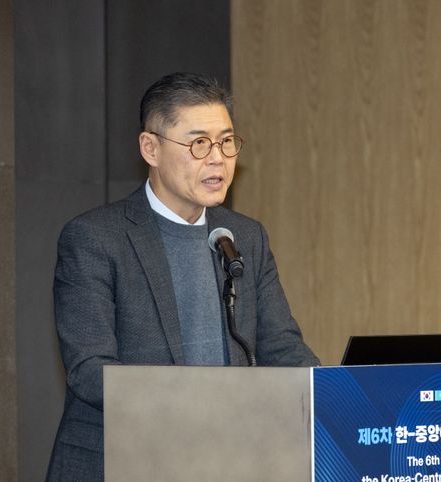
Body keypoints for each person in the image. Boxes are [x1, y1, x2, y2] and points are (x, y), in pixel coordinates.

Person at [45, 72, 319, 481]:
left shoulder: (244, 236)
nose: (218, 158)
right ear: (150, 148)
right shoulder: (95, 238)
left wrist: (334, 396)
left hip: (230, 461)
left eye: (227, 141)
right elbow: (89, 369)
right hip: (127, 461)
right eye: (199, 143)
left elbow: (282, 347)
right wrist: (201, 406)